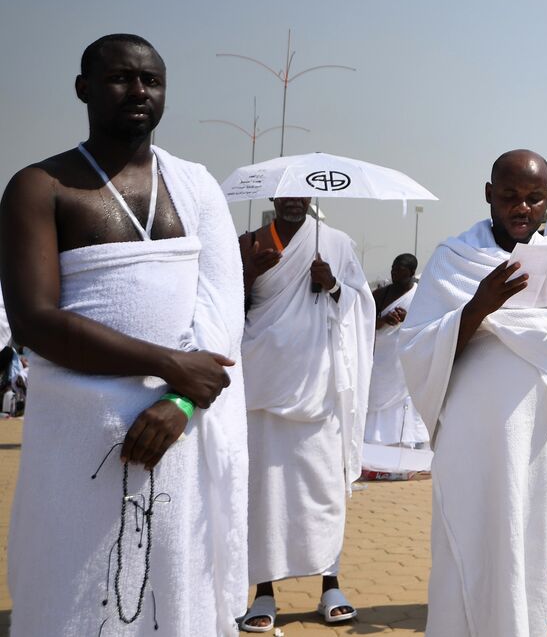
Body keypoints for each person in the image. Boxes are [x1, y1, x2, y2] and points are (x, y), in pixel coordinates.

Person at [1, 34, 248, 636]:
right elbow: (34, 321)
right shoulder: (40, 186)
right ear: (83, 88)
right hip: (77, 435)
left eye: (152, 80)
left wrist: (183, 401)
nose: (139, 91)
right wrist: (171, 365)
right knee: (74, 596)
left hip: (179, 430)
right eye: (120, 78)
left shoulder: (196, 186)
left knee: (172, 596)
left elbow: (223, 315)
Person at [399, 150, 547, 636]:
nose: (521, 207)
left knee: (525, 551)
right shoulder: (454, 258)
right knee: (464, 548)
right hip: (470, 438)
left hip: (537, 443)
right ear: (489, 194)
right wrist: (480, 305)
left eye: (533, 199)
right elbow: (419, 348)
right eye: (509, 196)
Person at [238, 196, 376, 630]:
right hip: (262, 384)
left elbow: (361, 303)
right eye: (287, 193)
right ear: (275, 197)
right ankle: (263, 592)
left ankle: (330, 584)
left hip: (319, 387)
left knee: (323, 490)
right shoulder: (249, 241)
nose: (295, 200)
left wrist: (333, 285)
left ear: (312, 198)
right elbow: (226, 306)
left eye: (303, 193)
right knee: (263, 493)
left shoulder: (335, 243)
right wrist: (250, 273)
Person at [364, 254, 429, 452]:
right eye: (393, 267)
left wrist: (407, 319)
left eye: (399, 268)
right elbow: (364, 323)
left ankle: (406, 447)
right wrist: (384, 320)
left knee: (405, 402)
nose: (394, 272)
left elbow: (429, 326)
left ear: (410, 272)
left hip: (405, 360)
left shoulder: (421, 297)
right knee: (376, 400)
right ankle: (374, 446)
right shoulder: (380, 294)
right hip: (382, 359)